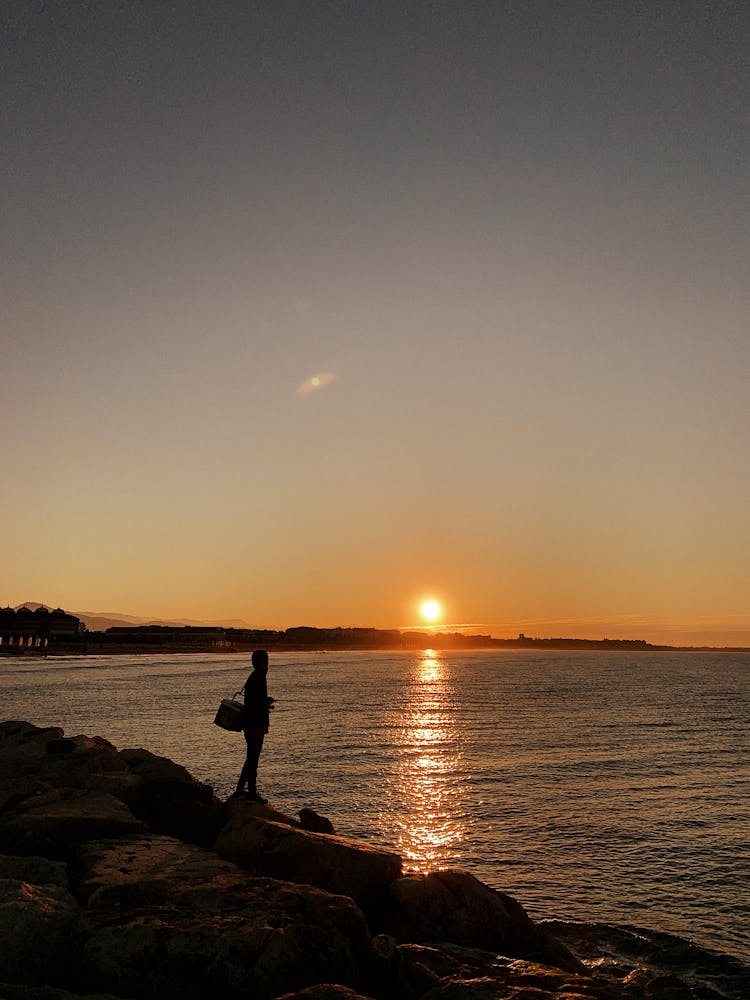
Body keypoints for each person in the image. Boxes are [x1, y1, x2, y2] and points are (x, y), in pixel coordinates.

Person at [236, 649, 275, 802]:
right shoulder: (258, 677)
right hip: (255, 724)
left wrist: (266, 702)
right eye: (266, 661)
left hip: (252, 723)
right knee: (253, 758)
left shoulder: (255, 676)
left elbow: (254, 700)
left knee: (251, 757)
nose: (267, 664)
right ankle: (251, 792)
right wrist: (266, 702)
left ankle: (241, 789)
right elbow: (254, 702)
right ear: (261, 662)